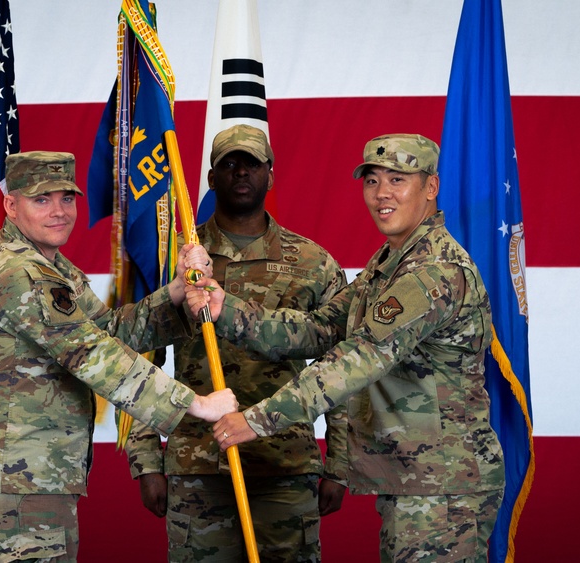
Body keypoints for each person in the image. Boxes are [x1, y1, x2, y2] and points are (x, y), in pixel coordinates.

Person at [187, 134, 505, 562]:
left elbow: (358, 359)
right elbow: (320, 329)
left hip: (443, 486)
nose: (382, 194)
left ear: (431, 187)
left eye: (398, 179)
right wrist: (226, 309)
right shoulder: (389, 263)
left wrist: (258, 420)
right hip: (415, 479)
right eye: (372, 181)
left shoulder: (433, 272)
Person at [0, 151, 237, 563]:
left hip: (30, 476)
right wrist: (196, 404)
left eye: (66, 198)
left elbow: (109, 332)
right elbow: (92, 353)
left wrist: (176, 291)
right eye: (41, 199)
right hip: (16, 479)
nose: (58, 211)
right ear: (11, 206)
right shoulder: (20, 274)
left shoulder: (52, 268)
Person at [124, 124, 350, 562]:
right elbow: (138, 360)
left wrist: (338, 463)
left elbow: (339, 365)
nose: (240, 172)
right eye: (228, 164)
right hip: (197, 464)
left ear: (271, 174)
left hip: (284, 463)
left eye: (251, 163)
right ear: (211, 178)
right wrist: (146, 460)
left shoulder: (312, 262)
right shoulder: (179, 258)